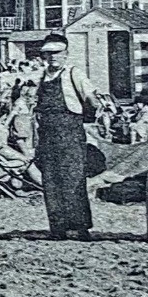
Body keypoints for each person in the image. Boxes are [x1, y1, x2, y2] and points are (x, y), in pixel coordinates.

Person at [33, 32, 111, 241]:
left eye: (57, 53)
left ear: (66, 54)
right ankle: (57, 228)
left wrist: (100, 110)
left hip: (70, 132)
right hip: (47, 134)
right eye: (48, 54)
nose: (53, 57)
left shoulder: (74, 73)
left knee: (73, 180)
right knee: (50, 181)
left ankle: (80, 228)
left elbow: (91, 97)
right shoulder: (41, 77)